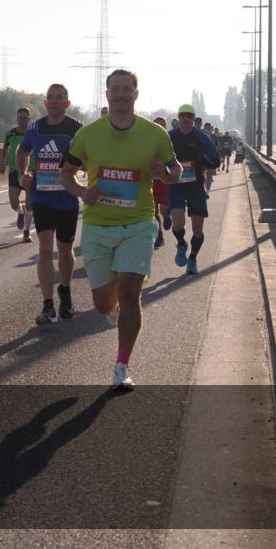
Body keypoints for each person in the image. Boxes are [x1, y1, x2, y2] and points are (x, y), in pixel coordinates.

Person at [60, 69, 180, 390]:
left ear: (136, 94)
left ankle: (122, 365)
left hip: (138, 223)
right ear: (107, 94)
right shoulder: (88, 134)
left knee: (130, 293)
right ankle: (110, 309)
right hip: (99, 225)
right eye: (116, 89)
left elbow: (175, 170)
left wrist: (164, 172)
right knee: (103, 303)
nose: (122, 94)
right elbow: (67, 172)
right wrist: (83, 192)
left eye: (128, 89)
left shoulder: (155, 134)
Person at [17, 84, 83, 324]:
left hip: (67, 197)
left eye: (60, 98)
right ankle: (47, 305)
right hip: (42, 196)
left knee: (65, 249)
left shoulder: (76, 129)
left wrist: (77, 168)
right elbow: (22, 152)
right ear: (45, 103)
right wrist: (23, 174)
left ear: (67, 103)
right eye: (50, 98)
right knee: (45, 248)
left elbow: (87, 158)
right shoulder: (35, 128)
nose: (54, 101)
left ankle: (65, 291)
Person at [169, 104, 220, 275]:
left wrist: (204, 159)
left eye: (189, 116)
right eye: (182, 115)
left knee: (197, 229)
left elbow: (215, 160)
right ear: (178, 117)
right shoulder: (170, 137)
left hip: (196, 186)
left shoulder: (201, 137)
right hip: (176, 186)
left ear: (193, 118)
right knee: (178, 223)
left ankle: (193, 258)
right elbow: (157, 155)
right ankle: (181, 243)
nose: (185, 119)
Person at [0, 107, 33, 241]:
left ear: (29, 118)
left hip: (30, 172)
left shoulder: (33, 133)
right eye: (20, 117)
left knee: (30, 203)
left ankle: (26, 231)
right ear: (16, 118)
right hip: (14, 170)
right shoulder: (10, 133)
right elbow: (4, 148)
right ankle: (20, 212)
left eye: (25, 117)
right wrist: (1, 162)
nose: (22, 120)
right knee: (13, 202)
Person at [152, 117, 172, 248]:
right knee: (153, 213)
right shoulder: (146, 142)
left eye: (161, 125)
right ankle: (160, 235)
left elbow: (174, 163)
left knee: (164, 210)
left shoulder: (169, 142)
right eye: (156, 125)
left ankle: (167, 216)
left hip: (165, 183)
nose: (159, 128)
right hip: (151, 183)